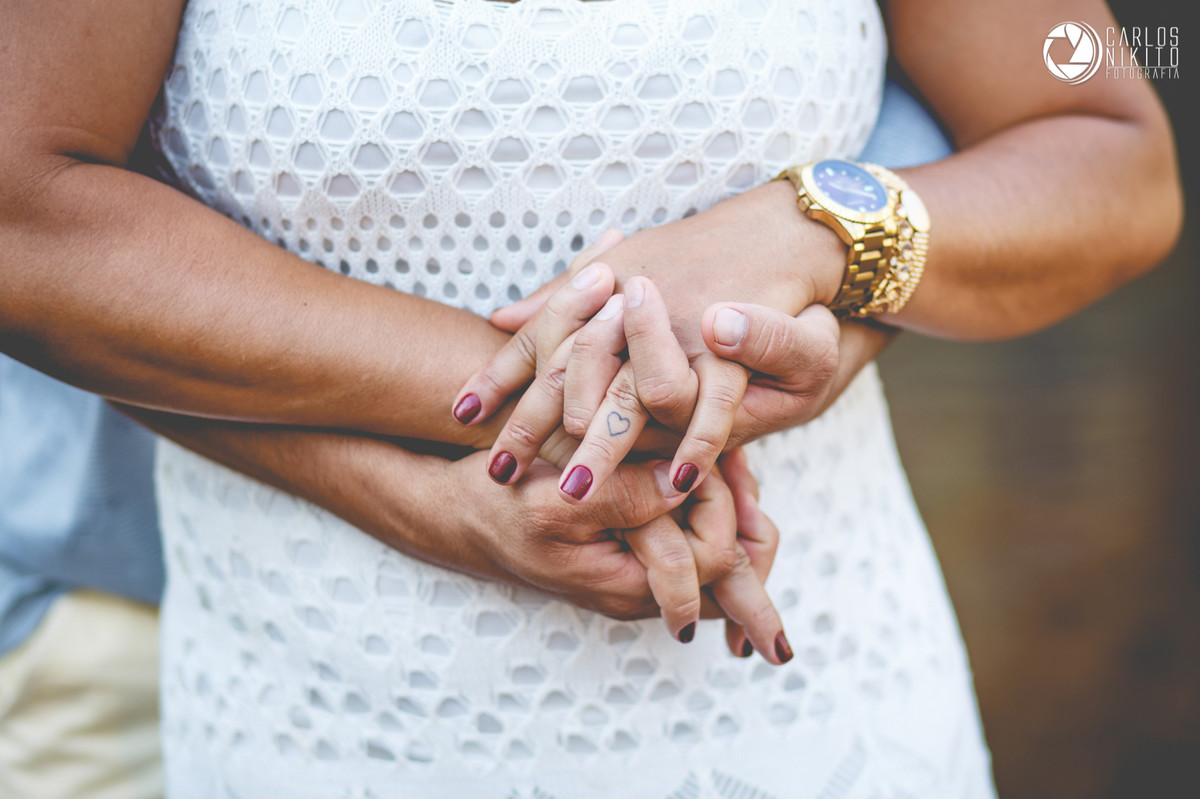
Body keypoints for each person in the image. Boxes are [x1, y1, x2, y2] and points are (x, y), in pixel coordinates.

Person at [0, 1, 1181, 798]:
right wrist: (488, 448)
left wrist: (819, 228)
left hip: (820, 708)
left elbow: (1103, 150)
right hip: (330, 712)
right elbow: (29, 219)